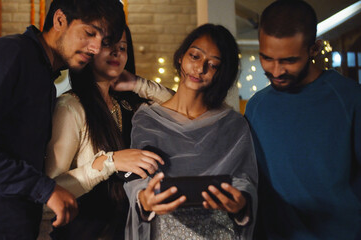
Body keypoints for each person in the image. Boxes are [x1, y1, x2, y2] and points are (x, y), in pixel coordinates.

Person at [0, 0, 126, 239]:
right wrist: (45, 189)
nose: (96, 48)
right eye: (90, 33)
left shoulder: (44, 77)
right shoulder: (9, 54)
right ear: (60, 19)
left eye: (104, 41)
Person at [124, 23, 258, 240]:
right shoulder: (147, 118)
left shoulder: (233, 124)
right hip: (166, 231)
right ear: (180, 57)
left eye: (213, 65)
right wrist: (144, 200)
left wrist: (241, 204)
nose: (200, 68)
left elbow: (245, 182)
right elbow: (137, 179)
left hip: (219, 232)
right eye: (195, 56)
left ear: (222, 74)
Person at [244, 1, 361, 239]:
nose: (276, 71)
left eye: (288, 60)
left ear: (314, 49)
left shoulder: (350, 99)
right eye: (266, 58)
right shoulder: (256, 106)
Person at [45, 26, 173, 239]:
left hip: (129, 230)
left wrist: (138, 84)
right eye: (108, 44)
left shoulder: (128, 104)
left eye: (122, 47)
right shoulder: (71, 106)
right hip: (84, 231)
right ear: (90, 48)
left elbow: (187, 110)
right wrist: (110, 162)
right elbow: (50, 189)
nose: (117, 52)